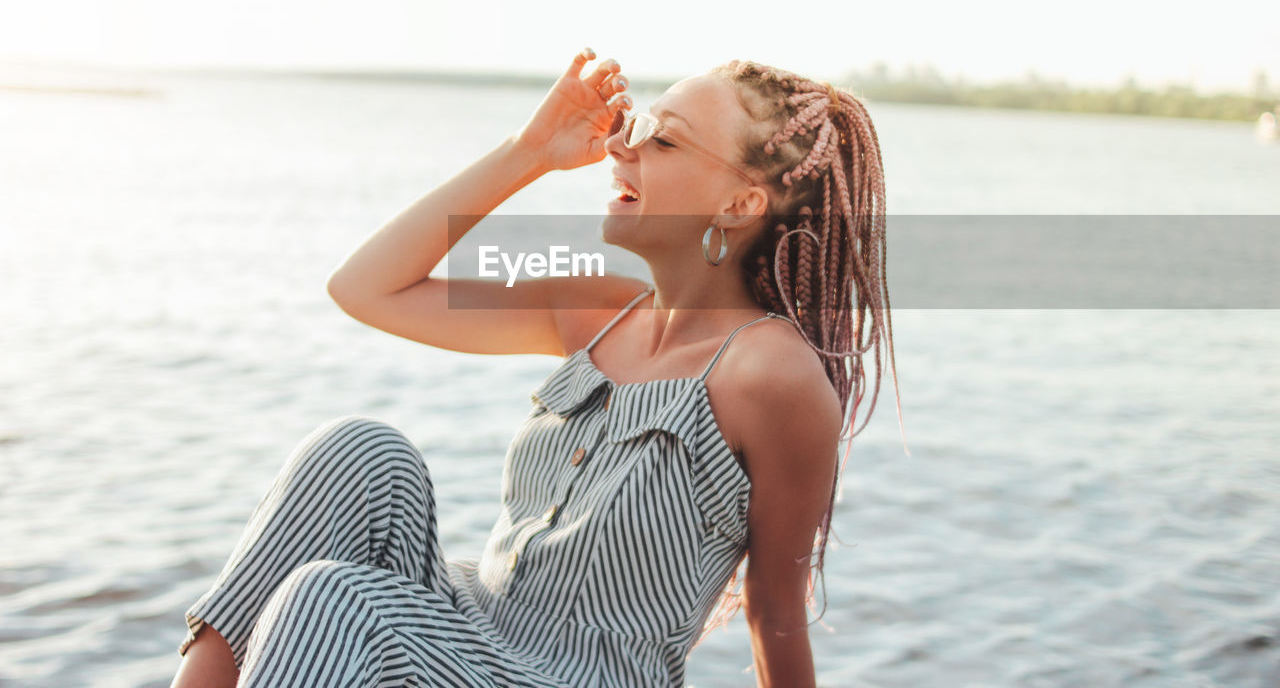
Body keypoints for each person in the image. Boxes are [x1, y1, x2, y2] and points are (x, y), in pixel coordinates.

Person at [170, 48, 905, 688]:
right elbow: (365, 288)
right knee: (357, 454)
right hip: (467, 628)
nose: (624, 146)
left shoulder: (770, 373)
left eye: (663, 140)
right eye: (636, 124)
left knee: (334, 598)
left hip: (572, 677)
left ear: (741, 202)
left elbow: (776, 610)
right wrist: (531, 148)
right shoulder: (599, 311)